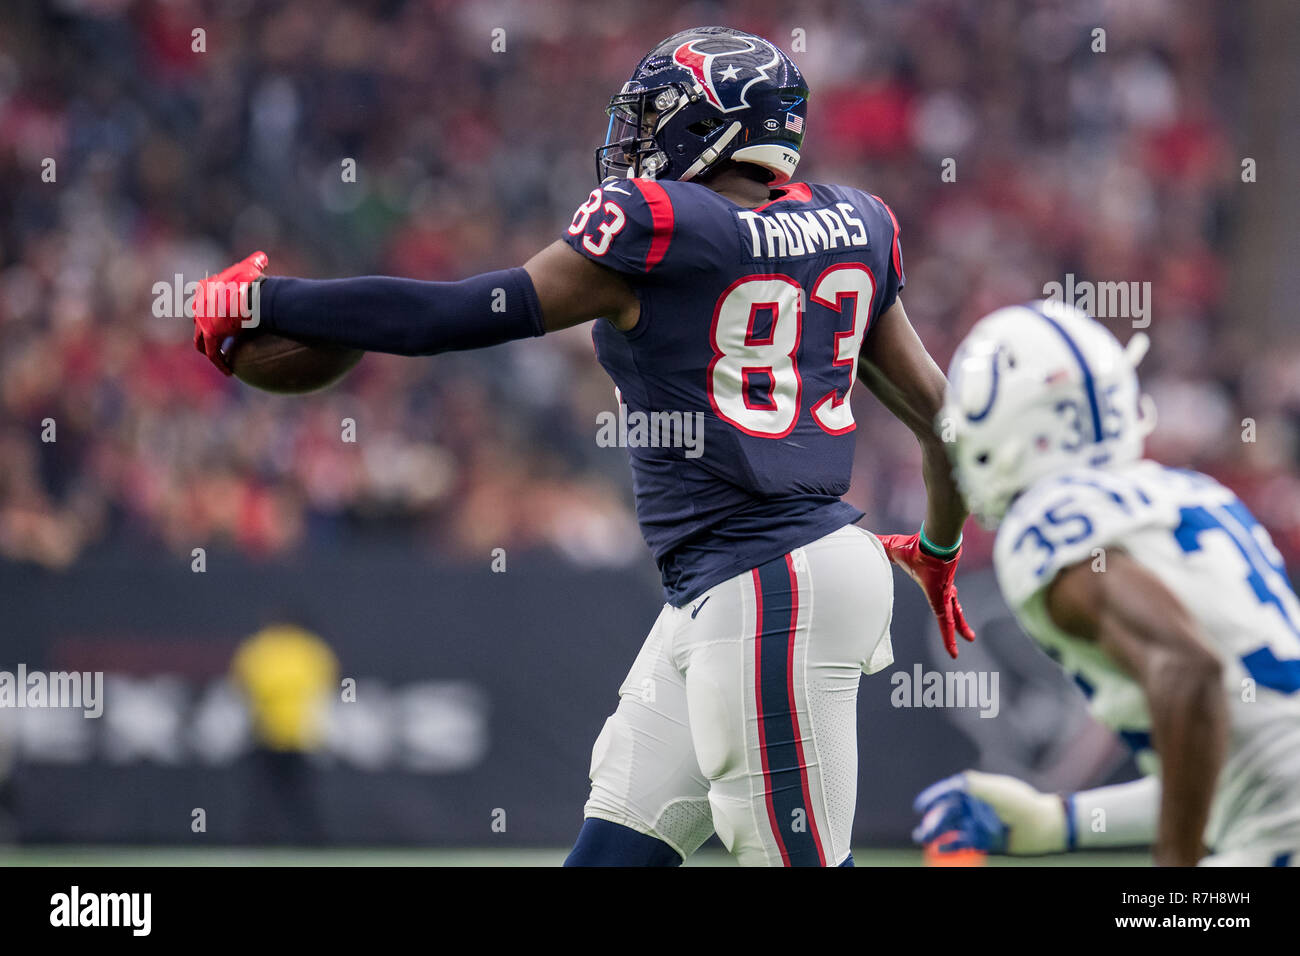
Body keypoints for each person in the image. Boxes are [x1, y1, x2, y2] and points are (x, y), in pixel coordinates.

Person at [193, 26, 974, 866]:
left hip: (770, 579)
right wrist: (938, 546)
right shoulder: (857, 222)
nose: (636, 138)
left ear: (710, 123)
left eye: (656, 116)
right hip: (745, 581)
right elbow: (944, 420)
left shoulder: (660, 226)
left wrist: (273, 301)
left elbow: (455, 315)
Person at [913, 299, 1300, 866]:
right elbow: (1244, 778)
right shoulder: (1192, 493)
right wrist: (1061, 822)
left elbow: (1190, 674)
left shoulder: (1047, 524)